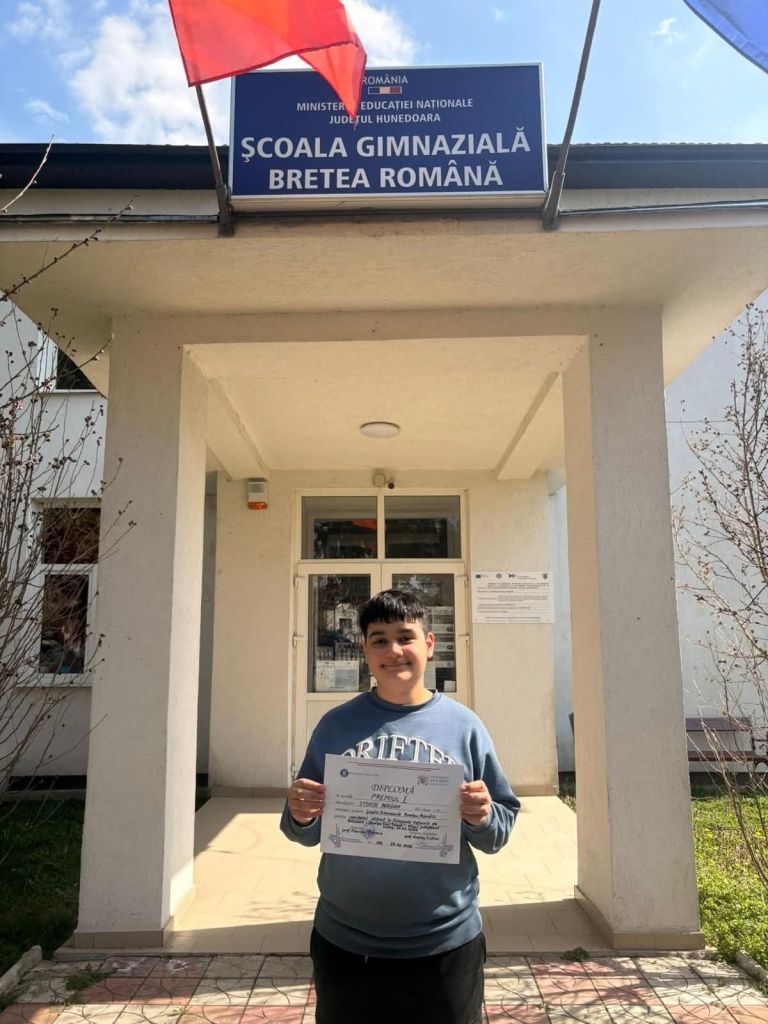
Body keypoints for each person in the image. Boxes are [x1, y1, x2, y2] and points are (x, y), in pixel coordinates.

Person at [281, 589, 520, 1024]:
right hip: (346, 944)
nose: (394, 651)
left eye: (405, 637)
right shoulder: (335, 726)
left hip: (445, 944)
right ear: (364, 650)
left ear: (429, 643)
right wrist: (299, 811)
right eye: (380, 640)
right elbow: (302, 827)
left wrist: (483, 816)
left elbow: (499, 828)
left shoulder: (464, 726)